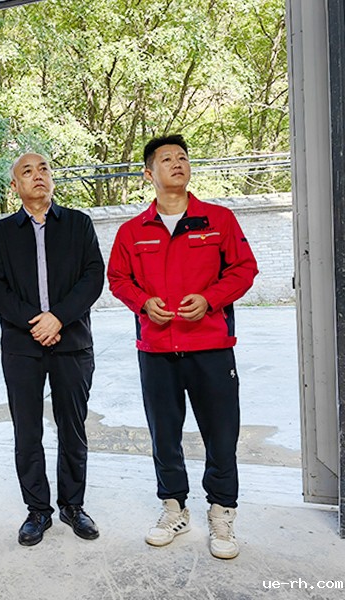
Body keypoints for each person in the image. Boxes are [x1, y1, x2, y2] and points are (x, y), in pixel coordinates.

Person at [107, 134, 258, 559]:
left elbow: (244, 269)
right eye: (166, 159)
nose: (177, 163)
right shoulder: (132, 231)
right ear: (148, 174)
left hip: (210, 346)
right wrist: (143, 303)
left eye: (182, 158)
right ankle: (174, 508)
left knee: (221, 433)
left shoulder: (218, 220)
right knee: (164, 434)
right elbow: (118, 278)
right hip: (156, 349)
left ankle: (222, 511)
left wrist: (211, 299)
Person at [0, 153, 105, 547]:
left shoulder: (78, 224)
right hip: (23, 347)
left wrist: (59, 319)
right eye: (27, 171)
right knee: (27, 431)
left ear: (52, 179)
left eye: (44, 169)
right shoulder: (1, 233)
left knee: (73, 428)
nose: (37, 176)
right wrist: (36, 322)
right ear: (15, 186)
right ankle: (37, 510)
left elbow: (93, 277)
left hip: (72, 343)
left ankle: (73, 505)